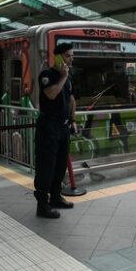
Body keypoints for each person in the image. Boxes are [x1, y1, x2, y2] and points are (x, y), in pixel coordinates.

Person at [33, 42, 79, 219]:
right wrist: (62, 76)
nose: (71, 59)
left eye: (72, 56)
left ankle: (56, 196)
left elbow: (71, 99)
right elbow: (51, 94)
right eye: (68, 55)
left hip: (64, 126)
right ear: (58, 57)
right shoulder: (48, 75)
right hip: (48, 126)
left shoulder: (67, 77)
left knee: (60, 165)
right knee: (46, 165)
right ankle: (42, 204)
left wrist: (73, 119)